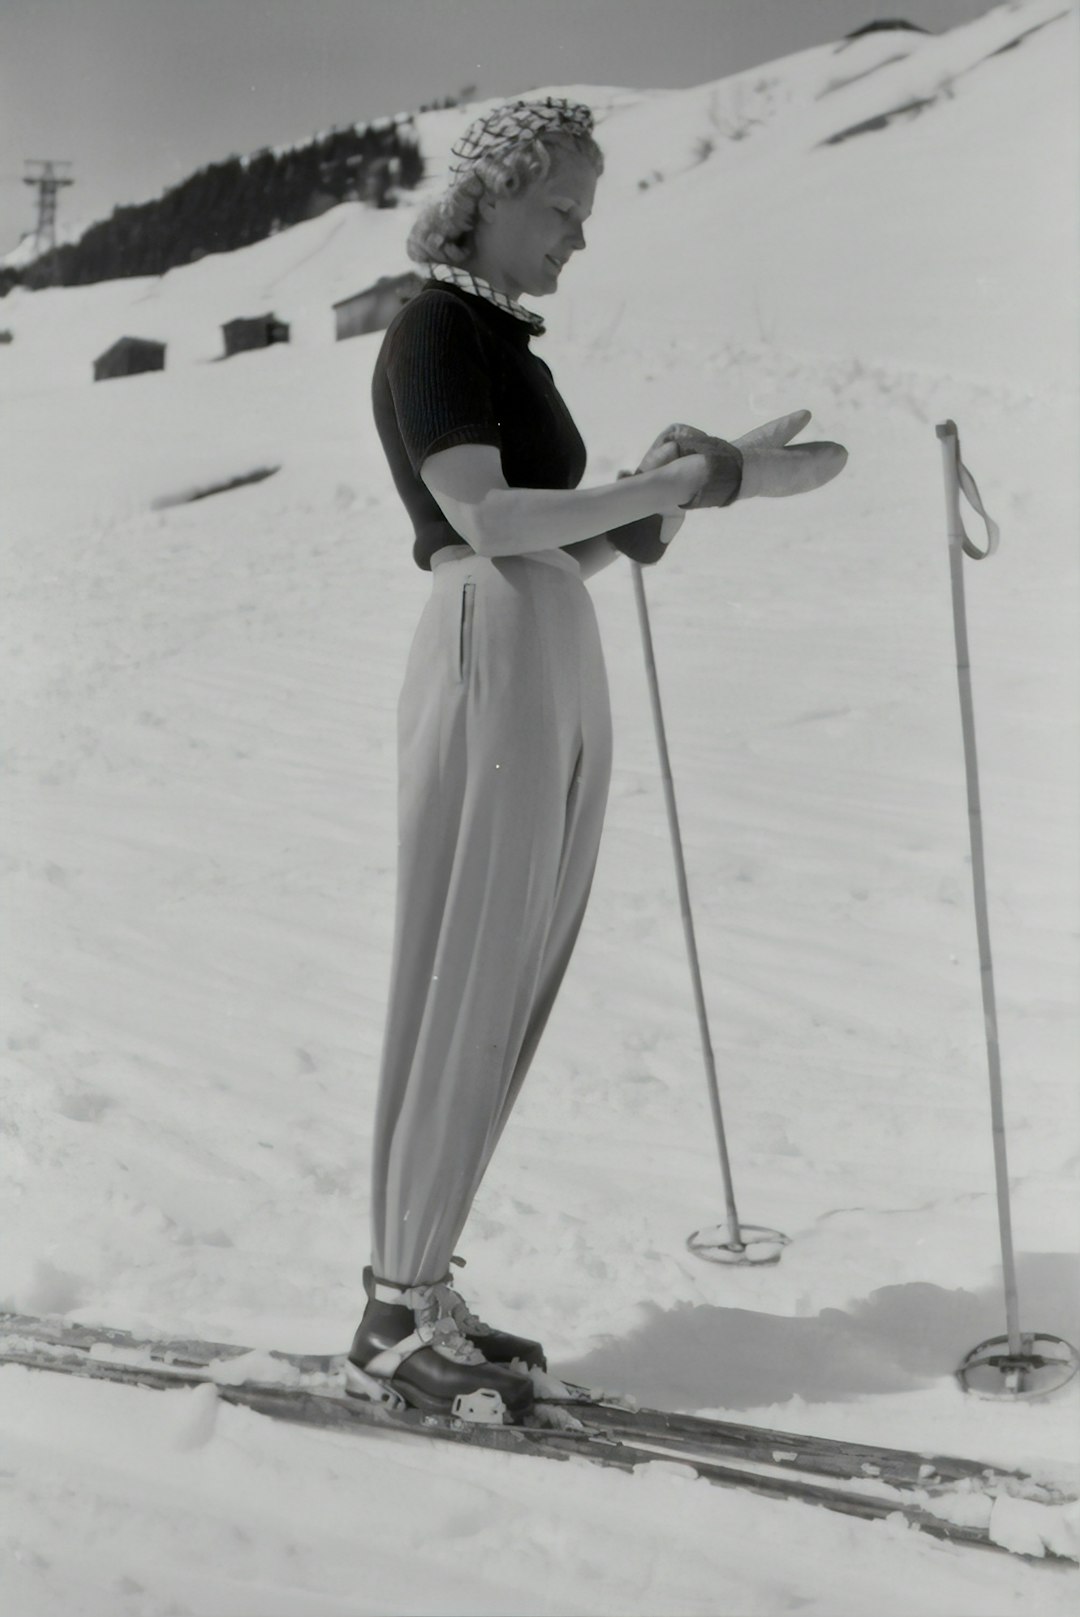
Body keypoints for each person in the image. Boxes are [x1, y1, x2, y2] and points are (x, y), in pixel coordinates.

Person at [347, 97, 845, 1425]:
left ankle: (421, 1281)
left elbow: (562, 539)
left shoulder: (503, 340)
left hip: (545, 637)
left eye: (584, 214)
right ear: (488, 201)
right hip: (491, 639)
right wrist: (677, 489)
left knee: (513, 968)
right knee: (467, 966)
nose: (577, 237)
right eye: (560, 210)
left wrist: (682, 478)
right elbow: (490, 515)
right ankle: (393, 1311)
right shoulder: (436, 328)